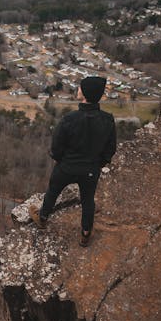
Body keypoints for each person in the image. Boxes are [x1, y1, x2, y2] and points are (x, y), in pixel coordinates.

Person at [29, 76, 116, 246]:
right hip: (90, 169)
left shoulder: (70, 119)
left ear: (84, 94)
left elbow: (56, 147)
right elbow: (110, 148)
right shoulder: (107, 119)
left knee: (53, 190)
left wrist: (61, 160)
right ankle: (85, 233)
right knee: (88, 199)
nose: (78, 90)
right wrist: (99, 164)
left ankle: (43, 217)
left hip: (67, 167)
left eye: (80, 88)